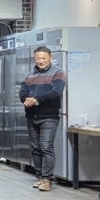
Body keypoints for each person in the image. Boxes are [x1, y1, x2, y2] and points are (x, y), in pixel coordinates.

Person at [19, 46, 66, 191]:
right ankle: (39, 177)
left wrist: (36, 100)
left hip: (49, 116)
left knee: (46, 147)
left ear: (51, 58)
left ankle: (47, 179)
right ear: (34, 58)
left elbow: (56, 92)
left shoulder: (58, 73)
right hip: (31, 116)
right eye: (38, 58)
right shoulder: (29, 74)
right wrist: (25, 100)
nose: (41, 61)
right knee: (36, 148)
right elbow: (23, 91)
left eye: (44, 58)